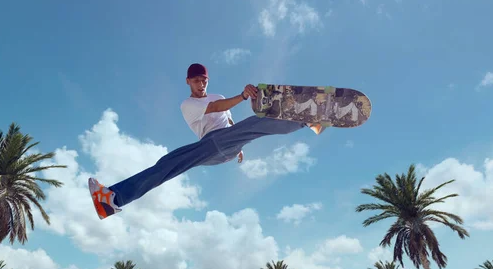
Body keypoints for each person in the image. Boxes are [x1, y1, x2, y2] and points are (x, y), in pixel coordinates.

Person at [88, 63, 322, 219]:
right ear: (189, 81)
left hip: (225, 146)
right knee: (166, 165)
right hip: (210, 146)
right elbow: (216, 108)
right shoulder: (188, 104)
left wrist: (237, 148)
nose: (202, 84)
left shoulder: (217, 95)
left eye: (205, 80)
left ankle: (305, 121)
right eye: (197, 81)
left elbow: (229, 122)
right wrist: (241, 97)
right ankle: (112, 199)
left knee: (252, 125)